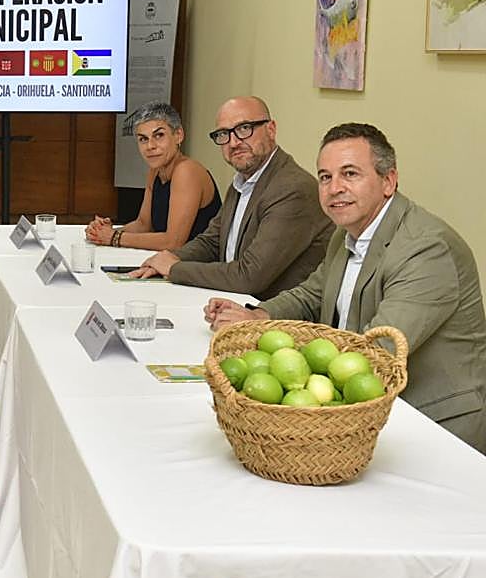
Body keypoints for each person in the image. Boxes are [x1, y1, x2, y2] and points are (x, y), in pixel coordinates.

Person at [206, 123, 486, 452]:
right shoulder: (347, 230)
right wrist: (258, 316)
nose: (334, 188)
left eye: (350, 174)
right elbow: (313, 292)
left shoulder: (426, 249)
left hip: (434, 425)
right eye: (325, 177)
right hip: (364, 408)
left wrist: (291, 368)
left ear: (388, 181)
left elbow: (380, 349)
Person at [132, 96, 332, 301]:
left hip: (275, 317)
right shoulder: (242, 181)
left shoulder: (292, 189)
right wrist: (171, 257)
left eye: (245, 129)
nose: (234, 142)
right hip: (234, 301)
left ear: (271, 129)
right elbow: (212, 241)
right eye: (224, 134)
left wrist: (175, 269)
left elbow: (249, 277)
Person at [85, 102, 221, 250]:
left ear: (178, 135)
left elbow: (173, 242)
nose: (150, 146)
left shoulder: (186, 171)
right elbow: (143, 225)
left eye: (159, 135)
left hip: (198, 265)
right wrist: (103, 233)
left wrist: (114, 237)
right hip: (171, 262)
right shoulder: (155, 171)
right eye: (143, 139)